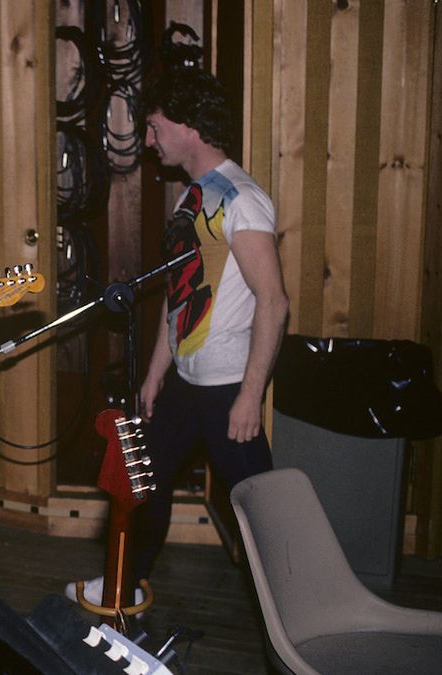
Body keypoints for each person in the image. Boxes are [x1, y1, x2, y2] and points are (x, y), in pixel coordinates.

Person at [66, 67, 289, 607]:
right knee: (142, 486)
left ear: (189, 127)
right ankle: (121, 585)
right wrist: (155, 373)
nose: (148, 139)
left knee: (262, 515)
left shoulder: (241, 199)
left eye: (154, 126)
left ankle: (298, 615)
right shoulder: (193, 197)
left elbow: (274, 302)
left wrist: (250, 395)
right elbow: (180, 293)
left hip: (227, 389)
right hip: (186, 384)